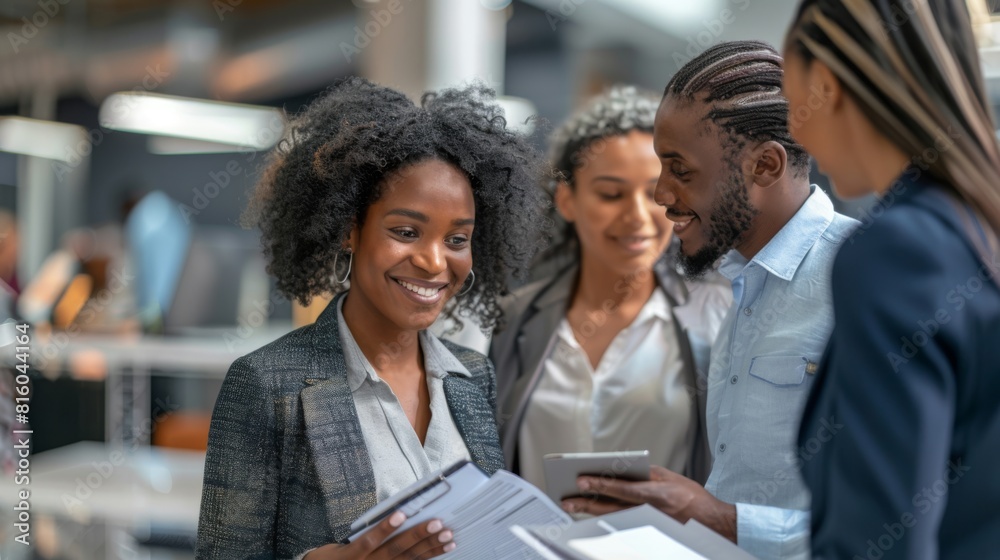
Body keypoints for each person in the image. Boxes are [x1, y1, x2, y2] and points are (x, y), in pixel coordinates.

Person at [196, 77, 547, 559]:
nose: (433, 261)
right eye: (406, 231)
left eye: (457, 239)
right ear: (348, 230)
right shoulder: (268, 384)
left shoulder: (473, 377)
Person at [560, 41, 859, 560]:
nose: (660, 193)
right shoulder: (741, 285)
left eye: (681, 169)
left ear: (765, 165)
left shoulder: (860, 282)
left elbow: (908, 520)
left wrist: (719, 520)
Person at [783, 2, 1000, 558]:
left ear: (826, 86)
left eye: (792, 101)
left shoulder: (897, 251)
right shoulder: (977, 225)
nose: (793, 129)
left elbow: (881, 540)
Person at [490, 86, 730, 492]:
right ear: (567, 200)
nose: (637, 215)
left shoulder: (718, 316)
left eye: (656, 193)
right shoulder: (512, 318)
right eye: (611, 194)